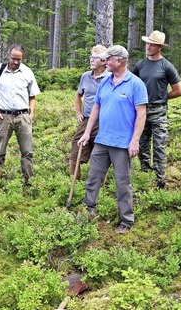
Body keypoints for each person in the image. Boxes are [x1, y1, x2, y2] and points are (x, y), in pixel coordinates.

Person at [78, 45, 148, 234]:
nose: (105, 62)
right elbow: (96, 108)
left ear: (119, 61)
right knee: (93, 177)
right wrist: (87, 132)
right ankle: (89, 209)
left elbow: (141, 115)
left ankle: (126, 220)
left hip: (122, 143)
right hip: (102, 140)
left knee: (122, 183)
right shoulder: (106, 81)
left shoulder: (135, 84)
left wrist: (135, 141)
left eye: (108, 59)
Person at [131, 30, 181, 189]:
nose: (149, 46)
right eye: (148, 43)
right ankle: (145, 177)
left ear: (159, 47)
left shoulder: (167, 66)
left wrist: (162, 97)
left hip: (159, 113)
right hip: (142, 111)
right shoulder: (140, 65)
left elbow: (178, 91)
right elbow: (132, 85)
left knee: (159, 147)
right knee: (143, 145)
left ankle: (161, 181)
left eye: (152, 44)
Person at [0, 45, 41, 186]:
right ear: (8, 56)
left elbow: (32, 96)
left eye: (19, 59)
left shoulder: (27, 72)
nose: (16, 62)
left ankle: (29, 183)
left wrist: (31, 114)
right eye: (14, 58)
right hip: (3, 116)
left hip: (23, 116)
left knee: (27, 152)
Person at [68, 45, 110, 180]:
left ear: (104, 61)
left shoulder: (110, 77)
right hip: (86, 120)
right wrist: (78, 112)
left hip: (103, 121)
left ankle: (99, 187)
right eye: (91, 57)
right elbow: (78, 95)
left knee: (100, 154)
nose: (91, 60)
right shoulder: (85, 76)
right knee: (76, 149)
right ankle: (75, 184)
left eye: (95, 58)